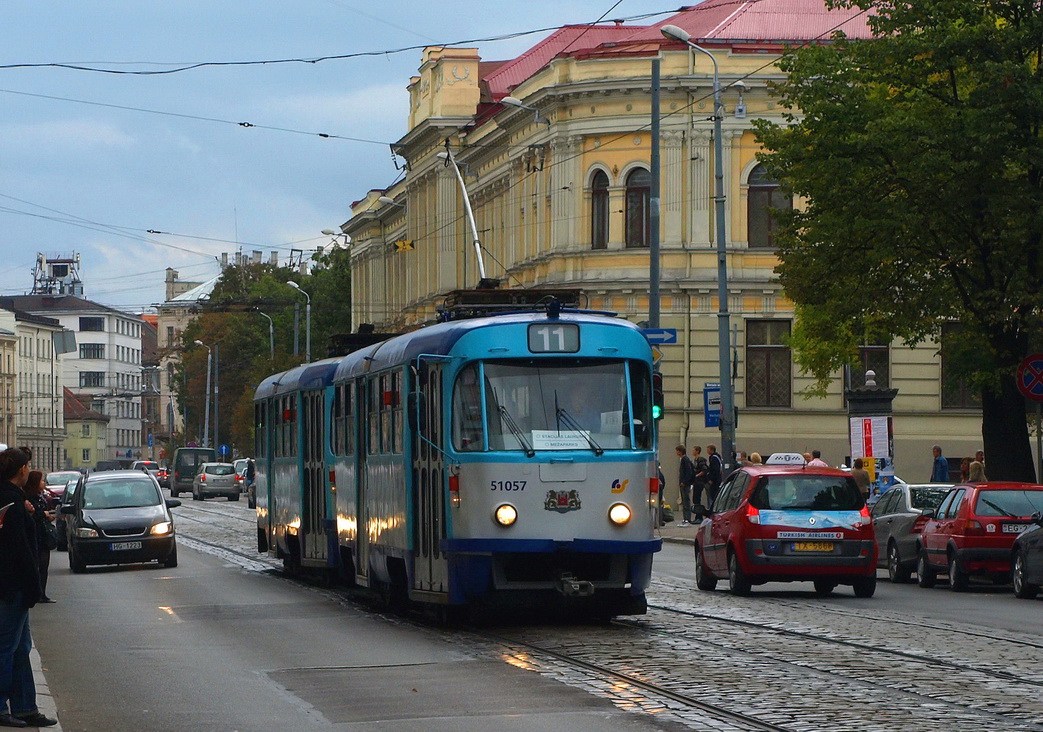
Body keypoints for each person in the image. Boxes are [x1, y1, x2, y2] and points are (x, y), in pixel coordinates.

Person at [0, 447, 57, 728]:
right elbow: (19, 549)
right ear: (22, 470)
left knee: (20, 648)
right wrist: (33, 586)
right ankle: (2, 707)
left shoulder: (15, 499)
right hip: (11, 587)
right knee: (7, 647)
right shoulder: (10, 502)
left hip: (13, 586)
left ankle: (24, 706)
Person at [22, 473, 55, 605]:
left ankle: (42, 593)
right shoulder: (29, 497)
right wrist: (44, 515)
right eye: (41, 480)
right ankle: (37, 592)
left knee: (44, 566)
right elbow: (32, 515)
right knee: (39, 565)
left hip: (43, 535)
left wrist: (48, 516)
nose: (44, 482)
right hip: (36, 535)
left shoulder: (40, 497)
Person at [675, 445, 695, 526]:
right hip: (685, 483)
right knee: (685, 501)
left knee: (686, 501)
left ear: (680, 451)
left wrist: (684, 481)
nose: (676, 452)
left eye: (677, 451)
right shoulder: (684, 459)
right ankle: (685, 518)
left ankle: (687, 519)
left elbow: (688, 472)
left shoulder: (684, 460)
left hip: (685, 484)